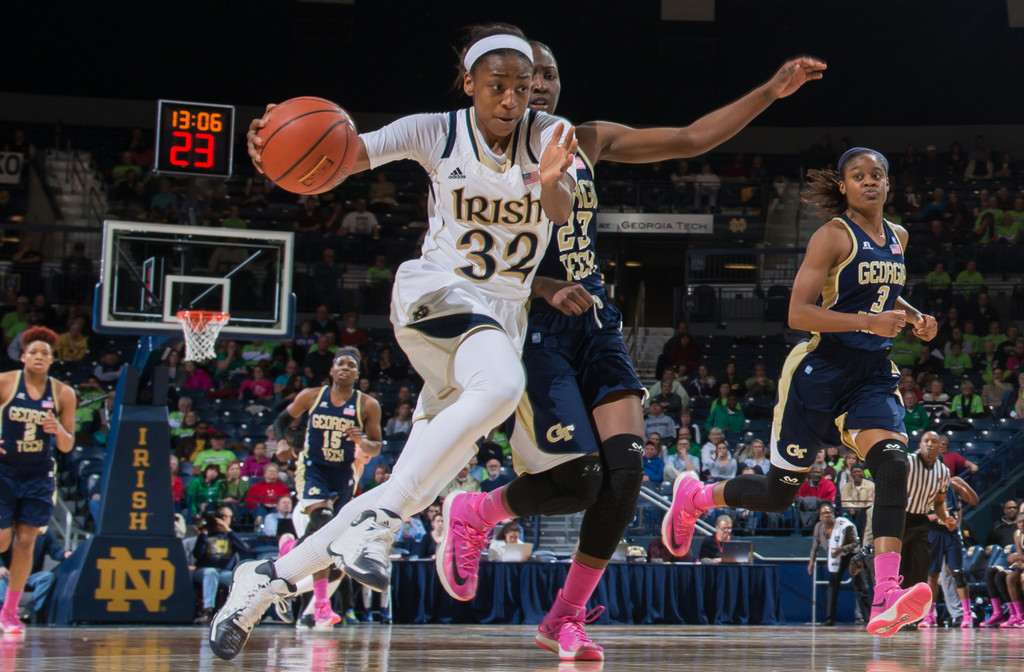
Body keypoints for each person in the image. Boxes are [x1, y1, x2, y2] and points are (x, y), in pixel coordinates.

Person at [210, 25, 580, 661]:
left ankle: (265, 583)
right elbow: (344, 157)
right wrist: (273, 145)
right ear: (469, 84)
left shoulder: (552, 133)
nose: (513, 98)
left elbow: (561, 209)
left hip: (500, 319)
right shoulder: (433, 129)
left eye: (522, 88)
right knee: (502, 386)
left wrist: (550, 178)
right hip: (439, 291)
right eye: (498, 86)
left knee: (415, 486)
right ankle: (377, 529)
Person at [663, 147, 938, 637]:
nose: (869, 182)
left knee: (895, 462)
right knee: (777, 495)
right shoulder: (832, 236)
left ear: (889, 184)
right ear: (845, 186)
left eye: (878, 175)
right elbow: (798, 313)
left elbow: (876, 290)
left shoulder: (897, 235)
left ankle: (886, 594)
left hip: (872, 374)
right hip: (819, 372)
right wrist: (868, 322)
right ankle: (697, 496)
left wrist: (913, 316)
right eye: (858, 176)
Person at [270, 347, 382, 628]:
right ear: (331, 370)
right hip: (313, 470)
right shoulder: (312, 395)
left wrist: (361, 442)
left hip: (343, 474)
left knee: (327, 540)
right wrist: (282, 442)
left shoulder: (367, 405)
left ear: (357, 374)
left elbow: (376, 446)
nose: (345, 367)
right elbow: (281, 420)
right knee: (322, 524)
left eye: (351, 365)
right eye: (340, 363)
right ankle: (321, 605)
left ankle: (288, 549)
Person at [0, 327, 75, 633]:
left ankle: (9, 612)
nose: (40, 356)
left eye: (45, 352)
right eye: (34, 352)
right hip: (4, 470)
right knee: (3, 538)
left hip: (39, 474)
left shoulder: (63, 393)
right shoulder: (5, 382)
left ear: (52, 359)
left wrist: (58, 429)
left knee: (26, 541)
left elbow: (67, 445)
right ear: (23, 357)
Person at [918, 475, 978, 628]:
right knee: (932, 575)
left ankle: (967, 615)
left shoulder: (952, 484)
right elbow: (918, 516)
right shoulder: (921, 487)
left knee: (958, 573)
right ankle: (930, 615)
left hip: (951, 534)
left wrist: (963, 483)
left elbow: (974, 501)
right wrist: (939, 519)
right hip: (933, 533)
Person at [808, 502, 870, 626]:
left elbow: (855, 544)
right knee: (833, 586)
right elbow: (815, 544)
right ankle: (830, 618)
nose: (827, 516)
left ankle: (868, 618)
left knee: (860, 586)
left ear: (833, 514)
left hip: (851, 555)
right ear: (820, 517)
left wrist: (841, 549)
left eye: (829, 513)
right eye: (824, 514)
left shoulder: (844, 525)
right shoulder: (819, 527)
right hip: (836, 557)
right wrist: (811, 561)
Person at [192, 506, 250, 625]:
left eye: (226, 517)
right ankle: (207, 610)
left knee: (237, 578)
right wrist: (203, 533)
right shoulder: (206, 534)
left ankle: (239, 612)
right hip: (204, 571)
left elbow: (245, 549)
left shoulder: (230, 536)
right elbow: (197, 554)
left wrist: (227, 530)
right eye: (221, 517)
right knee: (211, 572)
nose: (223, 520)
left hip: (224, 572)